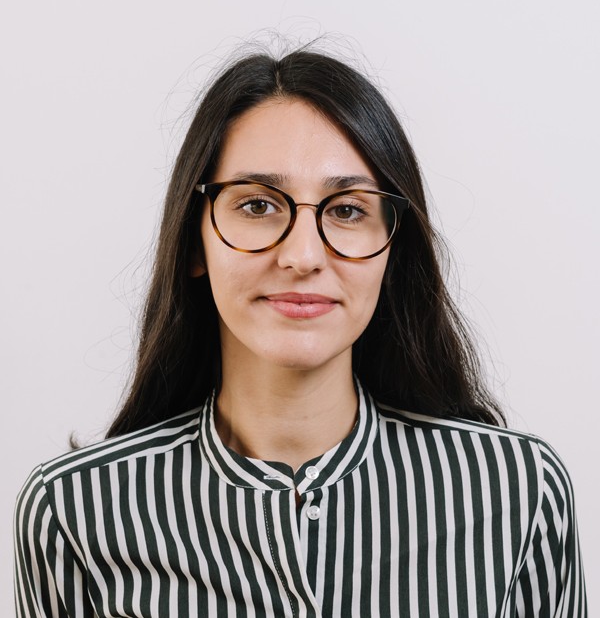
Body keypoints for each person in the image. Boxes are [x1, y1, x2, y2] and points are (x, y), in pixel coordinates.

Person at [14, 46, 587, 617]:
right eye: (257, 205)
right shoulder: (73, 515)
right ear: (194, 241)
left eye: (347, 210)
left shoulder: (519, 492)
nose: (304, 256)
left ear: (392, 249)